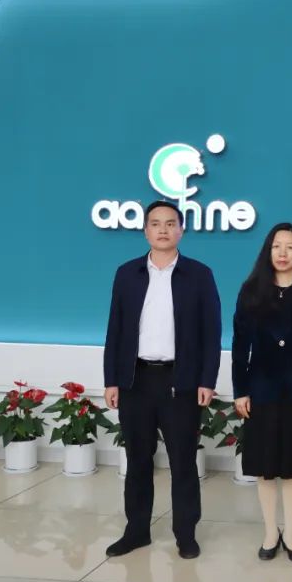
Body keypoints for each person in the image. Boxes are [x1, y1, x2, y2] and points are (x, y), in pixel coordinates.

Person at [103, 200, 222, 560]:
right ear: (145, 231)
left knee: (183, 463)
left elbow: (211, 332)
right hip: (136, 379)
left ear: (181, 230)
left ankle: (186, 534)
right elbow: (115, 329)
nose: (163, 230)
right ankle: (136, 531)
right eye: (156, 223)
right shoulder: (127, 273)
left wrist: (207, 379)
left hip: (180, 381)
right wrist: (111, 380)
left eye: (171, 223)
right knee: (138, 461)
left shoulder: (199, 274)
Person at [232, 223, 292, 563]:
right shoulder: (251, 290)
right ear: (268, 251)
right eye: (276, 246)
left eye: (290, 247)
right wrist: (241, 390)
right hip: (262, 389)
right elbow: (240, 345)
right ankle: (271, 532)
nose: (283, 253)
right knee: (265, 465)